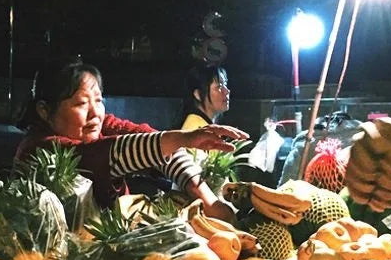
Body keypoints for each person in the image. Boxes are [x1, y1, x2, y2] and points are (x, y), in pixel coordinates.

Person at [16, 58, 245, 220]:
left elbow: (153, 141)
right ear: (44, 110)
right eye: (81, 103)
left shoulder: (98, 124)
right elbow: (108, 155)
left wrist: (208, 199)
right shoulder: (39, 148)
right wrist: (183, 138)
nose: (95, 112)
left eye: (98, 100)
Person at [180, 63, 230, 130]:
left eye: (225, 85)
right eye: (219, 87)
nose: (227, 91)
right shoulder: (196, 128)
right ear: (198, 94)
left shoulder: (203, 126)